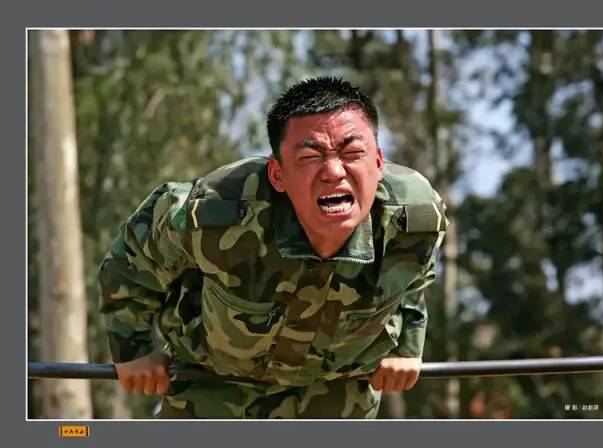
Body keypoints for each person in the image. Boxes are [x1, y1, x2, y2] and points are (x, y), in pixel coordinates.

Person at [99, 76, 448, 419]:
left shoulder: (413, 216)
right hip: (214, 382)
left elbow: (415, 277)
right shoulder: (214, 211)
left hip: (336, 384)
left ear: (377, 163)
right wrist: (134, 350)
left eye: (352, 153)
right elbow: (132, 260)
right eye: (310, 157)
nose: (333, 172)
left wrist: (407, 347)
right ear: (278, 175)